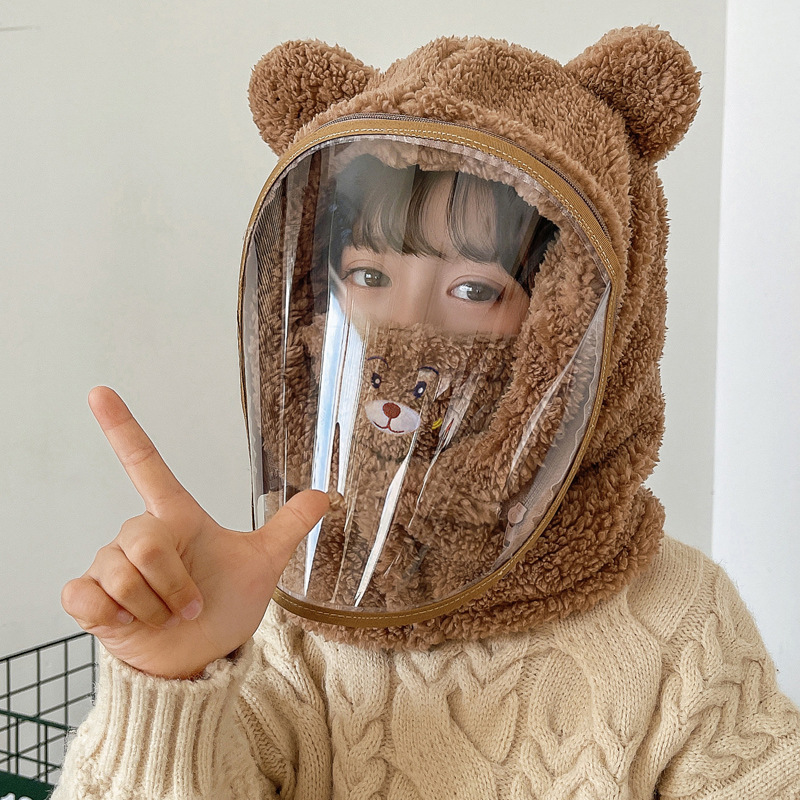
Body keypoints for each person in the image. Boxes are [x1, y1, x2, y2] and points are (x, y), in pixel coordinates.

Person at [55, 26, 800, 799]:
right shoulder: (272, 610)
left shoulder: (680, 623)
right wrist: (168, 686)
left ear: (579, 325)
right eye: (368, 275)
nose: (403, 330)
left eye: (475, 289)